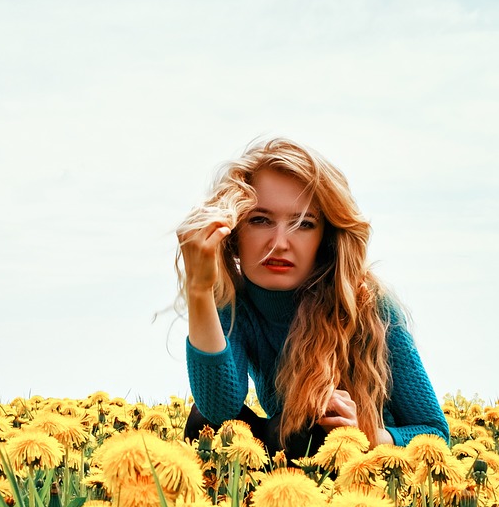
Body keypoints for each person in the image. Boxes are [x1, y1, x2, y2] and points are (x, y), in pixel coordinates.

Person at [177, 137, 449, 457]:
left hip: (366, 468)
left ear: (326, 238)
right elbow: (218, 409)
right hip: (285, 450)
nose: (280, 243)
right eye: (260, 220)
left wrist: (367, 432)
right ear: (234, 233)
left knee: (309, 429)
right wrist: (199, 290)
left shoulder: (369, 304)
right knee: (203, 424)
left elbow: (435, 433)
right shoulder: (234, 302)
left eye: (303, 224)